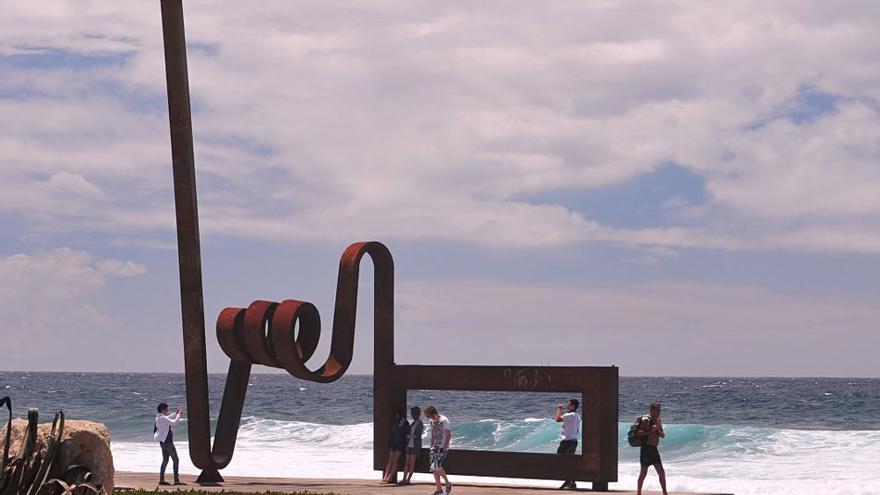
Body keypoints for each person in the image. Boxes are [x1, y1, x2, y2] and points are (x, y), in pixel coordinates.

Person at [636, 402, 667, 495]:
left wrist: (658, 430)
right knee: (643, 473)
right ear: (651, 410)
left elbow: (663, 435)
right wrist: (650, 432)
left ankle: (665, 492)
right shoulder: (646, 420)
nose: (659, 413)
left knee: (661, 472)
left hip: (654, 450)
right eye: (657, 411)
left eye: (660, 411)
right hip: (646, 449)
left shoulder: (658, 421)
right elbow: (638, 433)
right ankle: (638, 492)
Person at [154, 402, 185, 486]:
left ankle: (161, 479)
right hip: (168, 443)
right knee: (176, 459)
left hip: (163, 442)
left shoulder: (159, 417)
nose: (167, 410)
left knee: (165, 460)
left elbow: (168, 417)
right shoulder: (163, 418)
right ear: (163, 410)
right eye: (166, 409)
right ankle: (176, 480)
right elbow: (174, 423)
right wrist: (178, 415)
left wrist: (175, 413)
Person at [554, 398, 582, 489]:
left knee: (561, 461)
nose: (567, 405)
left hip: (566, 442)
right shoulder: (578, 416)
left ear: (573, 406)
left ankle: (568, 481)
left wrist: (559, 409)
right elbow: (577, 430)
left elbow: (557, 419)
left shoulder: (568, 415)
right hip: (574, 441)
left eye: (569, 404)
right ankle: (572, 482)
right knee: (569, 462)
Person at [425, 405, 452, 495]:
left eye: (429, 415)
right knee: (434, 469)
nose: (429, 417)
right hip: (435, 447)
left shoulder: (444, 420)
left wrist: (445, 447)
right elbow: (433, 434)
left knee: (437, 466)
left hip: (442, 446)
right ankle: (439, 488)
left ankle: (447, 483)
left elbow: (448, 434)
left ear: (433, 413)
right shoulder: (432, 421)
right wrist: (431, 446)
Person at [382, 408, 410, 484]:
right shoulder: (396, 422)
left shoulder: (406, 423)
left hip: (401, 444)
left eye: (397, 414)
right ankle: (385, 477)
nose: (396, 416)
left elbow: (407, 436)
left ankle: (390, 477)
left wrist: (407, 445)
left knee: (395, 460)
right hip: (395, 443)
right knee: (390, 460)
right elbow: (393, 432)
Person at [400, 406, 424, 485]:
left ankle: (408, 479)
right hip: (409, 445)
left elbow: (418, 435)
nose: (412, 416)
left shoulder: (420, 424)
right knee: (407, 463)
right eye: (412, 414)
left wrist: (409, 436)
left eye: (413, 414)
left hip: (415, 446)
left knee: (412, 463)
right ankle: (404, 478)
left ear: (417, 414)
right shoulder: (413, 423)